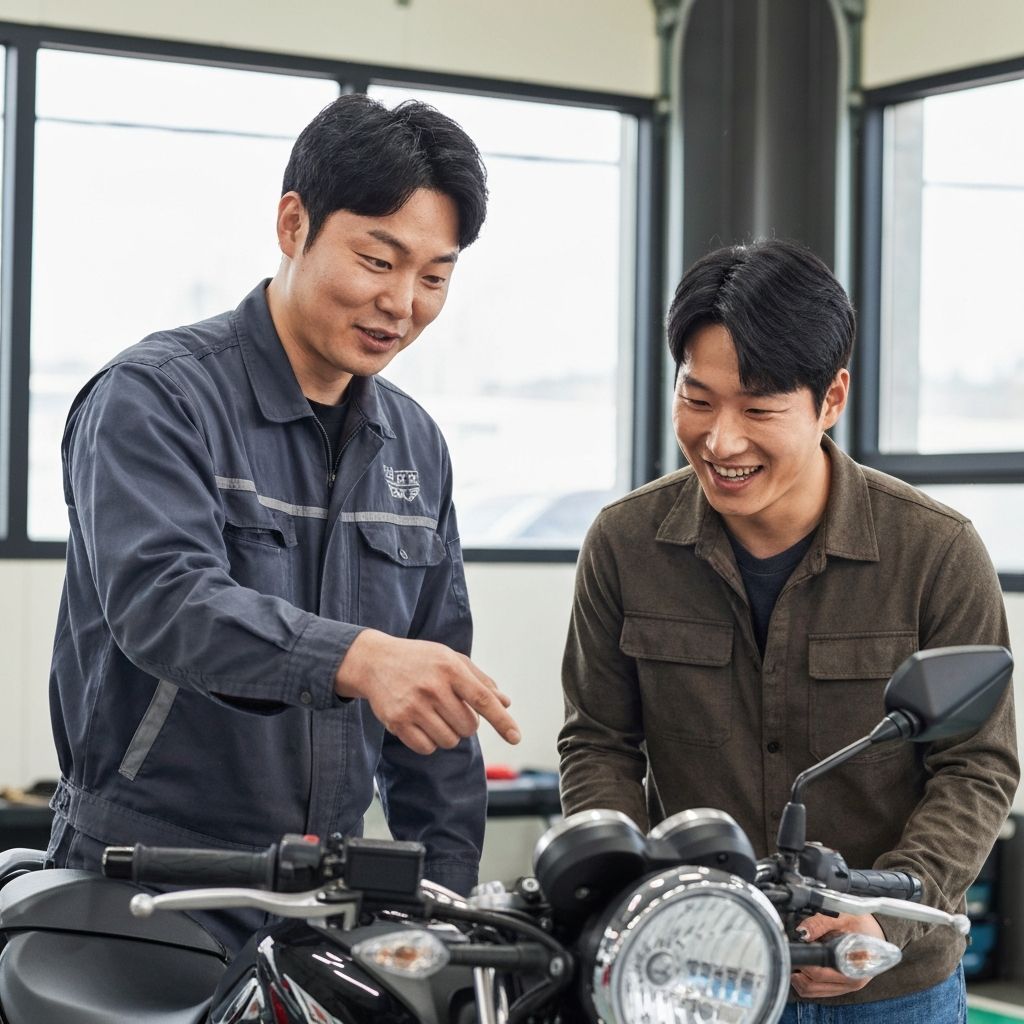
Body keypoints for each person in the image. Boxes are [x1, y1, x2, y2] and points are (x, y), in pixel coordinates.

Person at [46, 94, 521, 948]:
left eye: (434, 278)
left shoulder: (416, 445)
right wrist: (358, 657)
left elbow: (433, 706)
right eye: (377, 260)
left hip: (322, 897)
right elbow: (165, 602)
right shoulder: (156, 399)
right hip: (148, 881)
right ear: (293, 224)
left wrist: (445, 915)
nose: (401, 303)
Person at [558, 238, 1017, 1020]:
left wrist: (887, 919)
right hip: (698, 976)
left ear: (831, 398)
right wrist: (636, 897)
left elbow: (977, 767)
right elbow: (598, 743)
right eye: (698, 400)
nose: (721, 441)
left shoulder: (935, 551)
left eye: (759, 409)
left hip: (889, 982)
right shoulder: (624, 545)